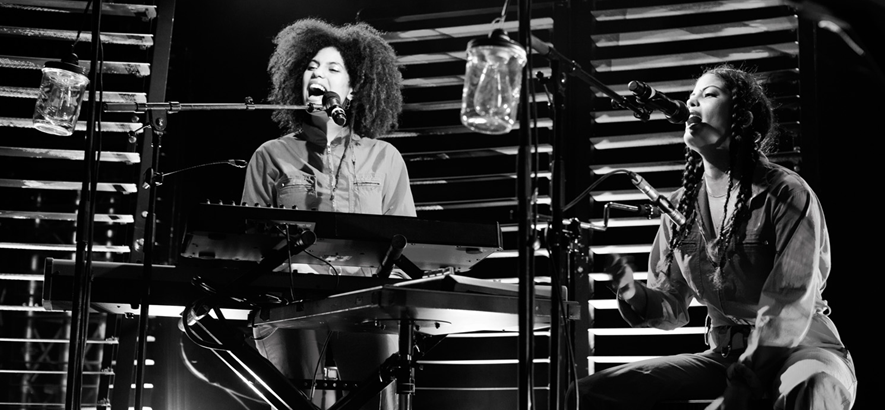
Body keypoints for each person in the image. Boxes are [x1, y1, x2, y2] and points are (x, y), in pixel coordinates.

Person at [568, 65, 857, 410]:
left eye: (708, 95)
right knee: (588, 393)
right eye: (691, 99)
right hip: (725, 356)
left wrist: (744, 382)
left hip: (801, 349)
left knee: (811, 386)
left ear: (744, 118)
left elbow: (789, 303)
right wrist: (634, 294)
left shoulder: (787, 193)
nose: (692, 105)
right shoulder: (679, 207)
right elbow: (671, 306)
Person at [240, 18, 415, 410]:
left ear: (353, 89)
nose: (317, 74)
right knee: (293, 400)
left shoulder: (385, 158)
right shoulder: (271, 155)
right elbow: (248, 242)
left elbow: (408, 250)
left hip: (366, 302)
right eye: (311, 68)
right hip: (290, 301)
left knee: (378, 402)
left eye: (333, 69)